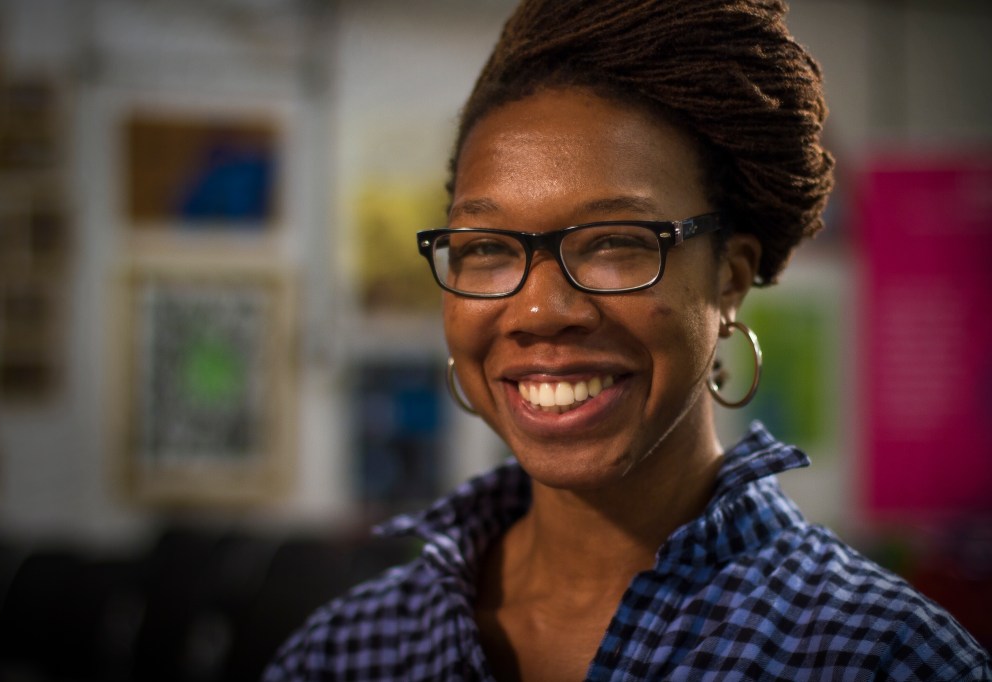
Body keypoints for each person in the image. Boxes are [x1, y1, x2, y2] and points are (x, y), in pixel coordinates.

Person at [265, 0, 991, 679]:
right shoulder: (349, 651)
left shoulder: (876, 656)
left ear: (730, 279)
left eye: (615, 241)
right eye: (485, 247)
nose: (540, 310)